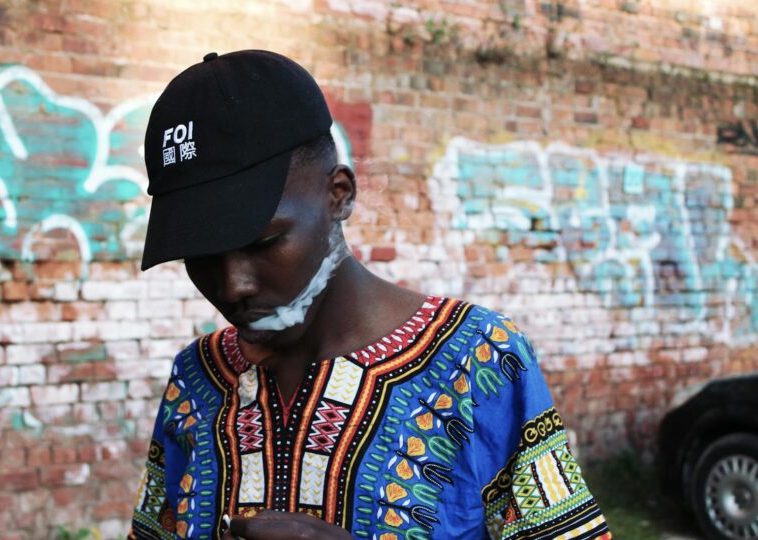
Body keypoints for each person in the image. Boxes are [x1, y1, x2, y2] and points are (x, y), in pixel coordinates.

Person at [128, 50, 610, 540]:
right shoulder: (197, 378)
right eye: (201, 255)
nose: (233, 286)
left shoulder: (479, 361)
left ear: (339, 195)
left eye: (264, 243)